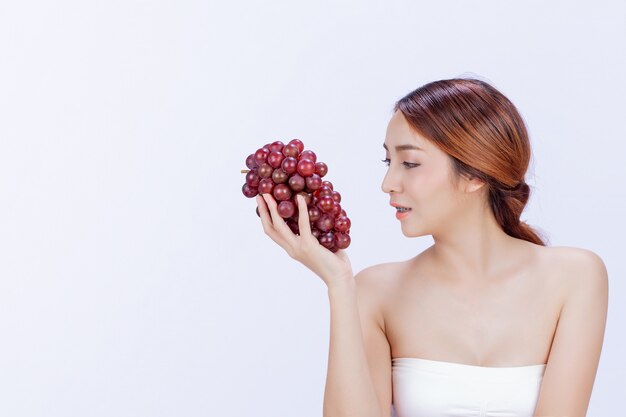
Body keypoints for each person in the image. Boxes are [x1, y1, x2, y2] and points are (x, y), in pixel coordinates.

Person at [255, 77, 608, 417]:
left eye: (410, 163)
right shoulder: (376, 291)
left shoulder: (575, 276)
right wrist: (339, 284)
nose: (388, 183)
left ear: (476, 175)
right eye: (388, 162)